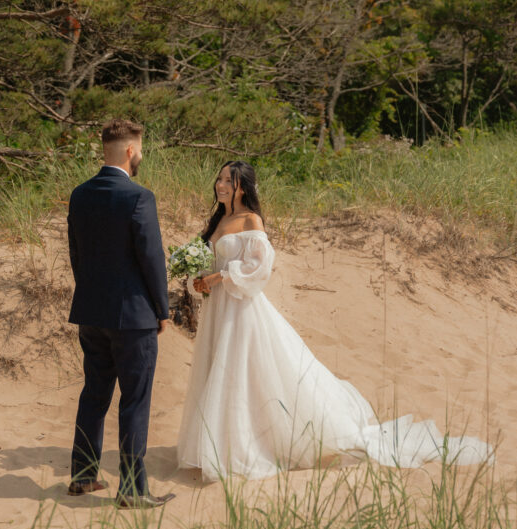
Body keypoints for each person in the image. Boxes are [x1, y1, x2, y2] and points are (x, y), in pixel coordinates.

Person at [177, 160, 494, 481]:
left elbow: (259, 268)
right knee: (216, 369)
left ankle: (240, 448)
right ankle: (214, 445)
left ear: (241, 186)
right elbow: (209, 259)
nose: (219, 185)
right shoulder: (219, 220)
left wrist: (219, 276)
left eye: (226, 181)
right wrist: (199, 278)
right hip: (218, 308)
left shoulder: (251, 220)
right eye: (218, 179)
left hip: (240, 309)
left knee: (239, 372)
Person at [67, 119, 175, 508]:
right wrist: (163, 309)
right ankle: (131, 490)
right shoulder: (139, 197)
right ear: (130, 151)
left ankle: (82, 477)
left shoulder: (80, 195)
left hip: (91, 312)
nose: (141, 155)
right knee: (134, 400)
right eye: (140, 149)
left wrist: (92, 295)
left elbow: (76, 254)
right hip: (133, 318)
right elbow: (151, 259)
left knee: (94, 393)